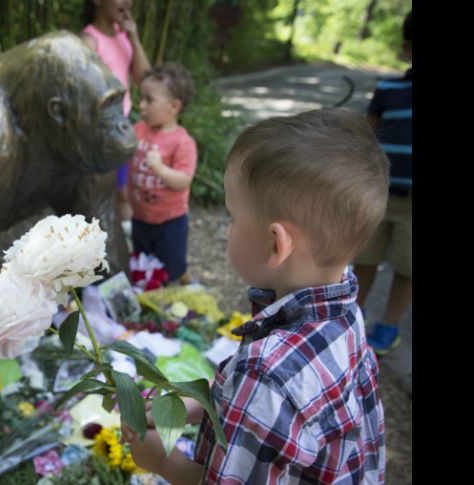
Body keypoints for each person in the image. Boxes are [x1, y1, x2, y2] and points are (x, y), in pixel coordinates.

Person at [121, 108, 388, 484]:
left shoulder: (266, 373)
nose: (228, 229)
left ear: (276, 243)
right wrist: (191, 406)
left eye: (233, 217)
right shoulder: (344, 308)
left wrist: (162, 461)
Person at [352, 10, 412, 356]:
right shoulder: (388, 89)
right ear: (406, 48)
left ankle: (389, 324)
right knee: (364, 257)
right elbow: (366, 135)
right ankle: (351, 318)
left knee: (407, 265)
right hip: (380, 192)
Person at [81, 0, 151, 231]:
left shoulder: (124, 36)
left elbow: (146, 81)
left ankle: (127, 252)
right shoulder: (89, 40)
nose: (128, 2)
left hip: (124, 124)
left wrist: (134, 38)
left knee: (124, 192)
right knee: (103, 192)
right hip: (101, 129)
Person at [127, 63, 197, 284]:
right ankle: (151, 292)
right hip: (140, 217)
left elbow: (184, 180)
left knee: (171, 267)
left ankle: (187, 283)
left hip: (169, 222)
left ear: (174, 107)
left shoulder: (182, 142)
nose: (142, 105)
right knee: (144, 263)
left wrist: (160, 169)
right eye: (141, 98)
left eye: (149, 100)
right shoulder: (139, 129)